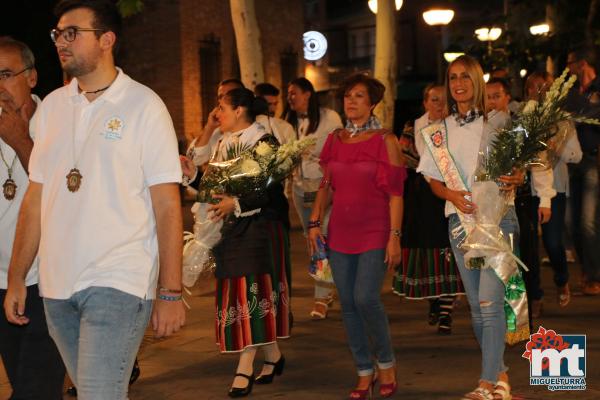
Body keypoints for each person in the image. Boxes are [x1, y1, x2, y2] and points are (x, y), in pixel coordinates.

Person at [3, 1, 186, 399]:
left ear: (106, 40)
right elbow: (36, 198)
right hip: (56, 285)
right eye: (57, 34)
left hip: (119, 280)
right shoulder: (51, 108)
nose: (61, 42)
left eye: (72, 33)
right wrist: (17, 276)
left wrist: (171, 291)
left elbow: (167, 204)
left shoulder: (144, 106)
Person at [418, 55, 519, 400]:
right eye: (452, 77)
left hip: (496, 221)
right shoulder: (438, 130)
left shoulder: (498, 123)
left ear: (476, 81)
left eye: (465, 77)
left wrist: (517, 175)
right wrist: (449, 193)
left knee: (491, 302)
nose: (458, 83)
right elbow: (432, 179)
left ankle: (486, 383)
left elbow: (519, 169)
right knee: (477, 306)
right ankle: (501, 374)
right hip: (459, 224)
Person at [309, 74, 406, 399]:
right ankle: (364, 370)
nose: (351, 101)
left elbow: (395, 193)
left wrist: (394, 236)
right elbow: (326, 184)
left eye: (359, 96)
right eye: (347, 96)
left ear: (372, 102)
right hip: (340, 232)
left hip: (375, 230)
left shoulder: (385, 140)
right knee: (348, 303)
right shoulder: (335, 139)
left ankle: (387, 363)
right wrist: (313, 220)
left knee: (366, 297)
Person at [191, 87, 290, 398]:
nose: (217, 113)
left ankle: (244, 366)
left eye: (221, 106)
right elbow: (213, 188)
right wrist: (192, 176)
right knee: (238, 292)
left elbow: (270, 190)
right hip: (233, 230)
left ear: (238, 111)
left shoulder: (265, 143)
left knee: (251, 292)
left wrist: (235, 202)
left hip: (261, 228)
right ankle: (273, 356)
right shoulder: (225, 143)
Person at [0, 36, 65, 400]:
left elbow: (63, 199)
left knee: (34, 391)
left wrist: (21, 141)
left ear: (32, 77)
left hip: (49, 282)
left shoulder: (60, 123)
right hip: (3, 283)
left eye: (6, 73)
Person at [393, 83, 464, 335]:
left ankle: (446, 311)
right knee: (426, 249)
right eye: (433, 100)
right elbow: (403, 158)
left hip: (451, 191)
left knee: (449, 248)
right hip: (423, 196)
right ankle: (434, 299)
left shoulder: (458, 125)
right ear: (425, 103)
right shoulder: (414, 126)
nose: (439, 105)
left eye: (443, 100)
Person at [486, 76, 555, 321]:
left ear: (507, 97)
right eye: (487, 96)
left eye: (496, 96)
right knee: (498, 261)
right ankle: (503, 314)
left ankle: (531, 301)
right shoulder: (480, 127)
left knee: (525, 255)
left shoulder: (520, 125)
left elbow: (540, 161)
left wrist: (545, 199)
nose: (492, 101)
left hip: (522, 200)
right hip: (490, 204)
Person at [283, 77, 342, 319]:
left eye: (294, 92)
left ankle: (321, 296)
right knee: (312, 238)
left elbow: (339, 151)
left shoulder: (330, 118)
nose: (290, 97)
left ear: (308, 93)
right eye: (288, 93)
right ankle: (326, 286)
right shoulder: (288, 122)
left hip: (324, 187)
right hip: (299, 188)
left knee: (323, 234)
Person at [526, 71, 582, 308]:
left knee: (552, 242)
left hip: (555, 188)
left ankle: (561, 278)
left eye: (546, 87)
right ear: (527, 90)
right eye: (535, 87)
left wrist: (554, 147)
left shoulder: (562, 121)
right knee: (528, 247)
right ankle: (535, 296)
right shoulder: (523, 116)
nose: (541, 92)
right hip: (524, 190)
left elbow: (576, 155)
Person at [565, 47, 600, 295]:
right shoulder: (570, 92)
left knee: (588, 221)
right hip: (570, 162)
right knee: (571, 222)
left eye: (571, 63)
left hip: (592, 160)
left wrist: (585, 113)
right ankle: (586, 269)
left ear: (583, 63)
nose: (568, 68)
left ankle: (593, 275)